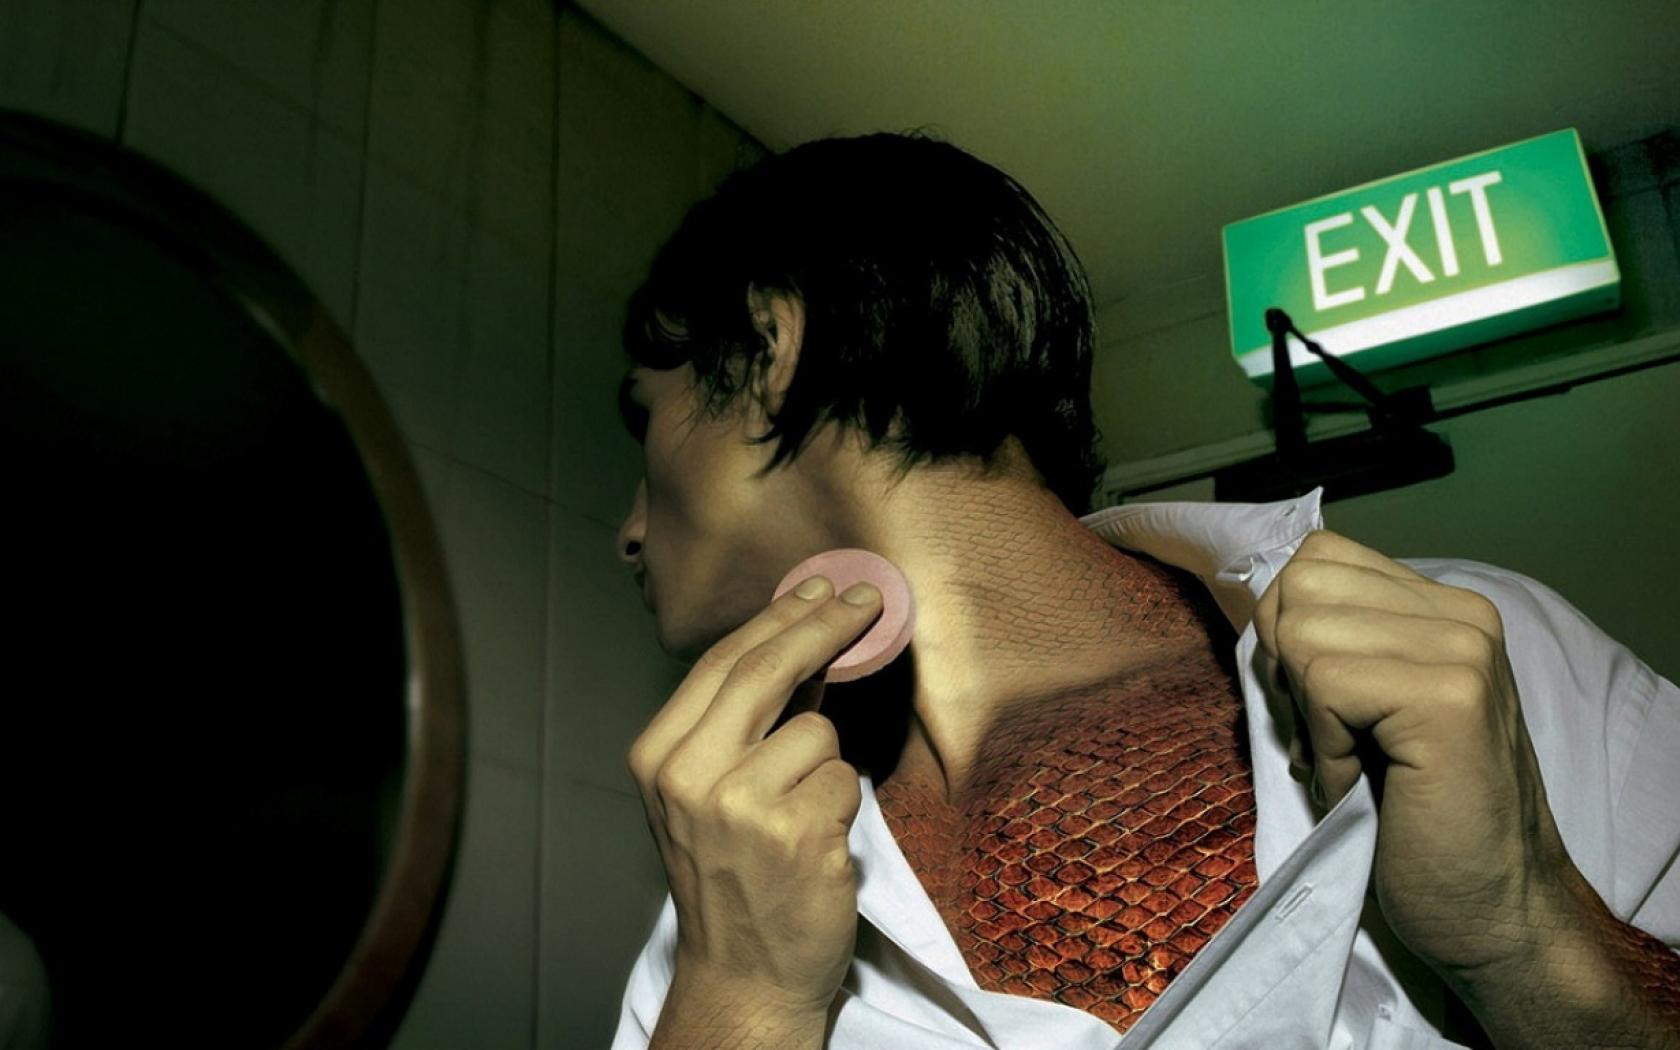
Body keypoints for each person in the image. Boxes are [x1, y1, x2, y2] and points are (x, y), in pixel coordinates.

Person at [605, 131, 1680, 1049]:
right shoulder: (724, 903)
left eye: (644, 418)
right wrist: (738, 1002)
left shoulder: (1473, 668)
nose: (629, 532)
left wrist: (1525, 927)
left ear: (773, 345)